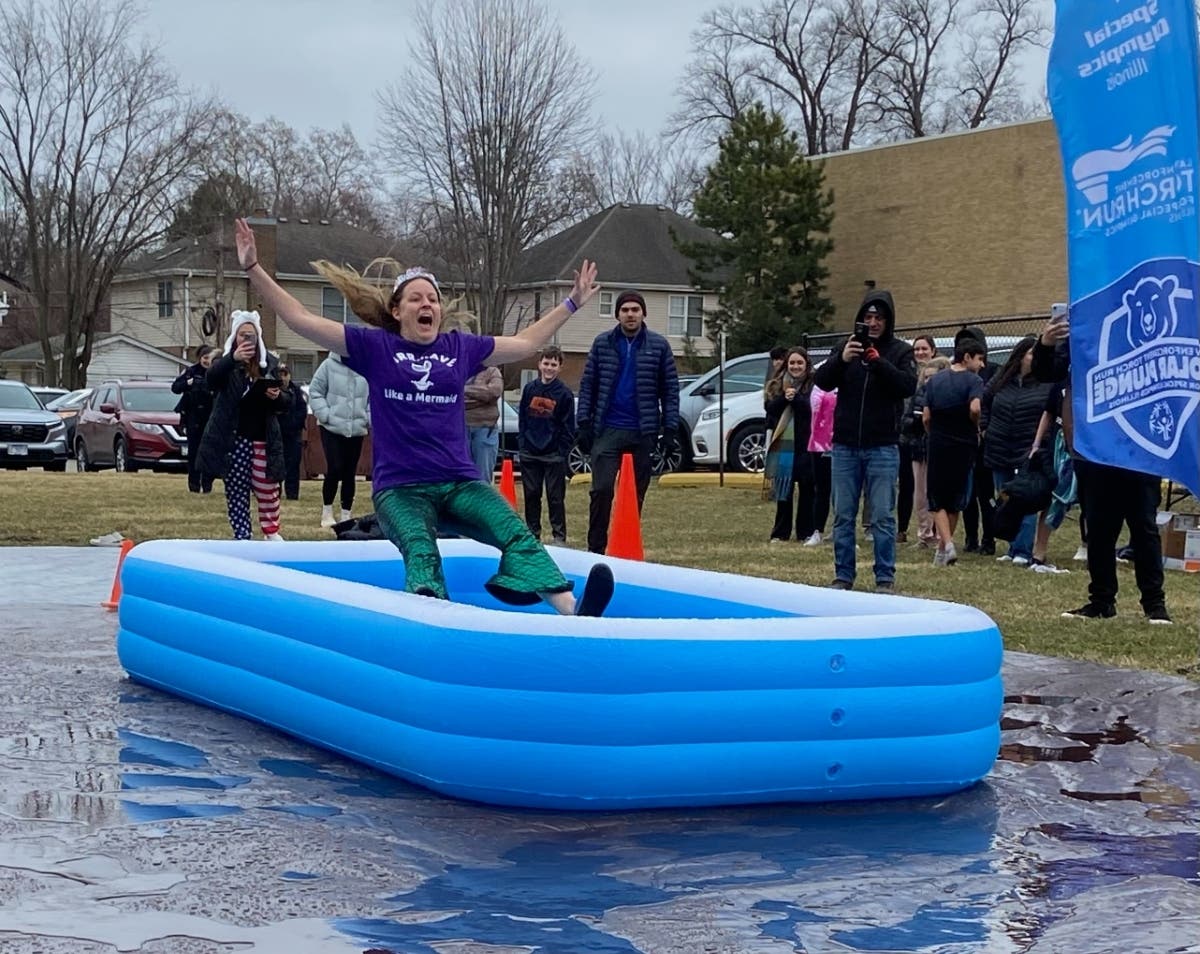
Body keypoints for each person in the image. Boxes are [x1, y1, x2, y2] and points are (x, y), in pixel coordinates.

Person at [233, 217, 613, 616]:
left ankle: (573, 611)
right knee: (421, 550)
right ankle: (432, 618)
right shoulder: (374, 346)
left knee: (515, 531)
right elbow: (301, 320)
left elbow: (525, 343)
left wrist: (571, 303)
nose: (426, 304)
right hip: (400, 490)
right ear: (397, 311)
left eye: (432, 298)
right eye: (415, 299)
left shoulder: (459, 348)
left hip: (458, 484)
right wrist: (253, 268)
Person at [1031, 310, 1171, 623]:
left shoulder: (1146, 335)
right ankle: (1102, 600)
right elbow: (1047, 374)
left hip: (1138, 446)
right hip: (1095, 447)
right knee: (1099, 529)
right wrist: (1044, 344)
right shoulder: (1082, 336)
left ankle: (1154, 604)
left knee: (1143, 527)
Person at [813, 291, 917, 591]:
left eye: (879, 318)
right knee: (843, 515)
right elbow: (822, 382)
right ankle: (843, 576)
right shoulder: (845, 348)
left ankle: (884, 577)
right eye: (868, 318)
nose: (872, 324)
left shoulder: (899, 351)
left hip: (882, 445)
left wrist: (878, 362)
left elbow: (906, 385)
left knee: (883, 516)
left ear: (888, 321)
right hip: (845, 445)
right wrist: (843, 360)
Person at [575, 289, 680, 555]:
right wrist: (584, 422)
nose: (630, 314)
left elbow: (670, 390)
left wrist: (669, 428)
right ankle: (595, 547)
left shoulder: (659, 346)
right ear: (617, 314)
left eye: (635, 309)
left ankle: (625, 545)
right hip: (607, 428)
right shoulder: (602, 343)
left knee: (634, 495)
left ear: (643, 313)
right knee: (601, 490)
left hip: (642, 430)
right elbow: (588, 385)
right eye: (625, 310)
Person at [197, 310, 291, 541]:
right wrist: (233, 359)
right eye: (242, 335)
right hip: (234, 439)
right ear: (235, 337)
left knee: (267, 487)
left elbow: (289, 400)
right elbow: (211, 380)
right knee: (236, 488)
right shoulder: (224, 363)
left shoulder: (270, 363)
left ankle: (271, 532)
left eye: (251, 335)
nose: (247, 339)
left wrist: (276, 395)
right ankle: (242, 535)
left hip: (263, 438)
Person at [980, 336, 1052, 566]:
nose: (1035, 358)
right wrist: (984, 427)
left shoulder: (1046, 383)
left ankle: (1023, 550)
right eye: (1032, 353)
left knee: (1025, 499)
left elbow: (1050, 414)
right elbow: (984, 401)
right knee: (1004, 498)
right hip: (999, 447)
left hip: (1027, 453)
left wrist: (1040, 445)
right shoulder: (1001, 380)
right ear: (1021, 356)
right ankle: (1011, 547)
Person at [922, 338, 986, 566]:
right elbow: (975, 408)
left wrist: (932, 433)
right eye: (980, 359)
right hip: (964, 443)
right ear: (967, 357)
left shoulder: (935, 381)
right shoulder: (974, 380)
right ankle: (947, 546)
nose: (982, 365)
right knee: (956, 498)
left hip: (938, 442)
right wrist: (975, 425)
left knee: (937, 497)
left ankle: (944, 547)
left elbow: (926, 416)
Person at [518, 346, 576, 544]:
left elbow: (568, 426)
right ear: (539, 364)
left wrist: (561, 451)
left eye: (553, 364)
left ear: (559, 368)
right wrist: (523, 443)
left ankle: (559, 535)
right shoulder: (530, 389)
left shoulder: (564, 394)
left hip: (553, 455)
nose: (549, 368)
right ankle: (532, 534)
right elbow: (523, 418)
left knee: (555, 497)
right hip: (530, 453)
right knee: (532, 495)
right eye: (546, 363)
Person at [309, 351, 370, 527]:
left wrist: (366, 417)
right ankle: (327, 511)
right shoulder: (328, 366)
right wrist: (325, 415)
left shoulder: (366, 367)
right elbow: (315, 391)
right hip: (331, 427)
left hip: (357, 428)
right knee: (334, 468)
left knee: (350, 472)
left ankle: (346, 514)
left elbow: (374, 396)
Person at [763, 347, 816, 543]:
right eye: (792, 363)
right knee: (783, 492)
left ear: (806, 365)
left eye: (799, 363)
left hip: (806, 443)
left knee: (807, 490)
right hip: (783, 445)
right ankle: (780, 532)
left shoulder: (813, 385)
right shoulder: (776, 384)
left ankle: (805, 532)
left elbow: (812, 410)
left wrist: (798, 400)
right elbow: (769, 409)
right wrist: (784, 398)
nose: (795, 367)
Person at [954, 326, 999, 555]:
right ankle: (971, 538)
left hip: (986, 441)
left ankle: (989, 538)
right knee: (968, 494)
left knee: (986, 494)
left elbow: (992, 404)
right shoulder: (956, 376)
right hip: (963, 440)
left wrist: (985, 428)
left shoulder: (993, 372)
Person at [171, 344, 216, 494]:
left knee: (209, 453)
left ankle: (207, 484)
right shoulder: (191, 372)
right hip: (193, 418)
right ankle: (194, 484)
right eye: (204, 358)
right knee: (194, 452)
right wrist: (188, 383)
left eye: (209, 358)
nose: (206, 361)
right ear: (199, 358)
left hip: (210, 418)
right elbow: (175, 387)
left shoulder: (216, 373)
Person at [807, 380, 837, 546]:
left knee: (843, 492)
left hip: (844, 444)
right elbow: (814, 409)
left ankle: (840, 530)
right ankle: (817, 530)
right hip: (820, 443)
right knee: (822, 489)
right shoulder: (820, 384)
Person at [465, 365, 504, 481]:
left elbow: (494, 392)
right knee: (460, 479)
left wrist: (464, 389)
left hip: (486, 429)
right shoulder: (458, 367)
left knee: (483, 479)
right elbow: (450, 392)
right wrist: (482, 397)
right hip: (459, 431)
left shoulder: (493, 371)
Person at [276, 363, 308, 501]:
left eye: (285, 374)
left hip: (294, 434)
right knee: (275, 465)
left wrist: (295, 424)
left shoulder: (296, 391)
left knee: (293, 465)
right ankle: (274, 492)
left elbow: (302, 410)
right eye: (280, 375)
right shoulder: (272, 391)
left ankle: (292, 493)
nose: (283, 378)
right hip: (276, 434)